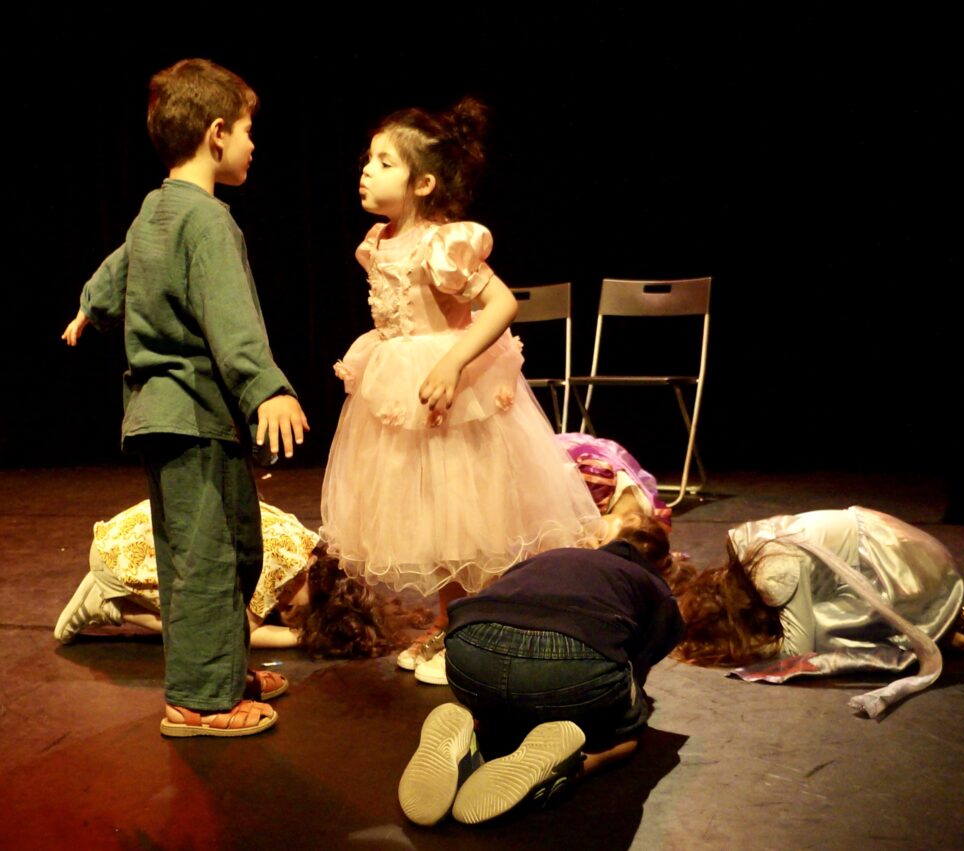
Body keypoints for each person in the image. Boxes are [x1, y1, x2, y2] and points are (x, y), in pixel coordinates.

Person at [61, 59, 309, 737]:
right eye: (250, 130)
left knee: (227, 548)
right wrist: (268, 390)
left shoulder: (153, 210)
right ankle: (199, 700)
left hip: (165, 417)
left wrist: (91, 307)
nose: (255, 145)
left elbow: (120, 265)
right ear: (217, 133)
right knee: (208, 560)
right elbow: (232, 320)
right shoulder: (209, 222)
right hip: (194, 414)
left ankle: (220, 669)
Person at [319, 97, 599, 686]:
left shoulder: (443, 244)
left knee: (467, 518)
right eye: (368, 158)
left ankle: (477, 626)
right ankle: (453, 622)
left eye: (384, 162)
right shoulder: (377, 241)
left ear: (422, 181)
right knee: (429, 520)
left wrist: (452, 362)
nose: (366, 170)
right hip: (399, 391)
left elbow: (500, 304)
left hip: (452, 387)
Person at [397, 514, 687, 826]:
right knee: (628, 731)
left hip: (469, 650)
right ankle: (576, 765)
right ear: (659, 564)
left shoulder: (549, 557)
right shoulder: (652, 586)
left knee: (502, 698)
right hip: (570, 658)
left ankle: (475, 739)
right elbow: (644, 658)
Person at [672, 506, 964, 718]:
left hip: (895, 567)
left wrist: (745, 650)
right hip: (888, 542)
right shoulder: (744, 547)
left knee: (817, 630)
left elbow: (798, 648)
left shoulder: (772, 575)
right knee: (809, 610)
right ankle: (939, 624)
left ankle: (934, 625)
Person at [54, 500, 408, 659]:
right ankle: (109, 606)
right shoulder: (282, 565)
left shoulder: (302, 544)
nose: (289, 612)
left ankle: (110, 601)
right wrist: (301, 637)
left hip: (121, 539)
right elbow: (245, 634)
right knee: (218, 632)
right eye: (303, 611)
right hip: (118, 558)